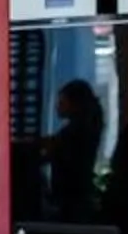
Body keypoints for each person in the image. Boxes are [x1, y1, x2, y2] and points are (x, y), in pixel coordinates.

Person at [42, 79, 104, 221]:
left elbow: (47, 149)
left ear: (75, 104)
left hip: (69, 204)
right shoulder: (80, 132)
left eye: (62, 102)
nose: (57, 106)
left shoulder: (73, 134)